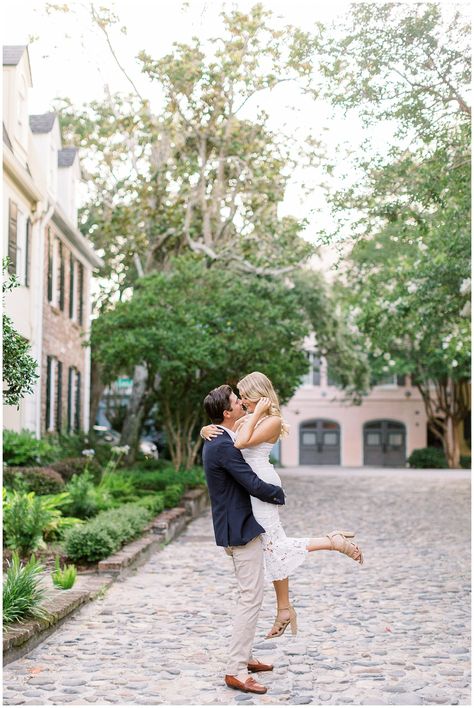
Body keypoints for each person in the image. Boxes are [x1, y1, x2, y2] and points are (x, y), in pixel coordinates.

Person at [201, 371, 364, 640]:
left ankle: (331, 541)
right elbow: (228, 433)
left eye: (244, 396)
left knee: (273, 544)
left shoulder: (272, 420)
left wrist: (254, 414)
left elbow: (240, 442)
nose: (241, 401)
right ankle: (284, 609)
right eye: (238, 398)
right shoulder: (247, 418)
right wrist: (205, 428)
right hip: (247, 484)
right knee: (271, 546)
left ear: (258, 395)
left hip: (259, 484)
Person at [202, 384, 286, 695]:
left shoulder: (218, 436)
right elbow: (251, 482)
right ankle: (235, 669)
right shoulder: (223, 445)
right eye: (238, 402)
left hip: (235, 525)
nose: (242, 404)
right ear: (227, 412)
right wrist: (279, 494)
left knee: (250, 594)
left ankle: (245, 656)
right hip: (239, 529)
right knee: (250, 598)